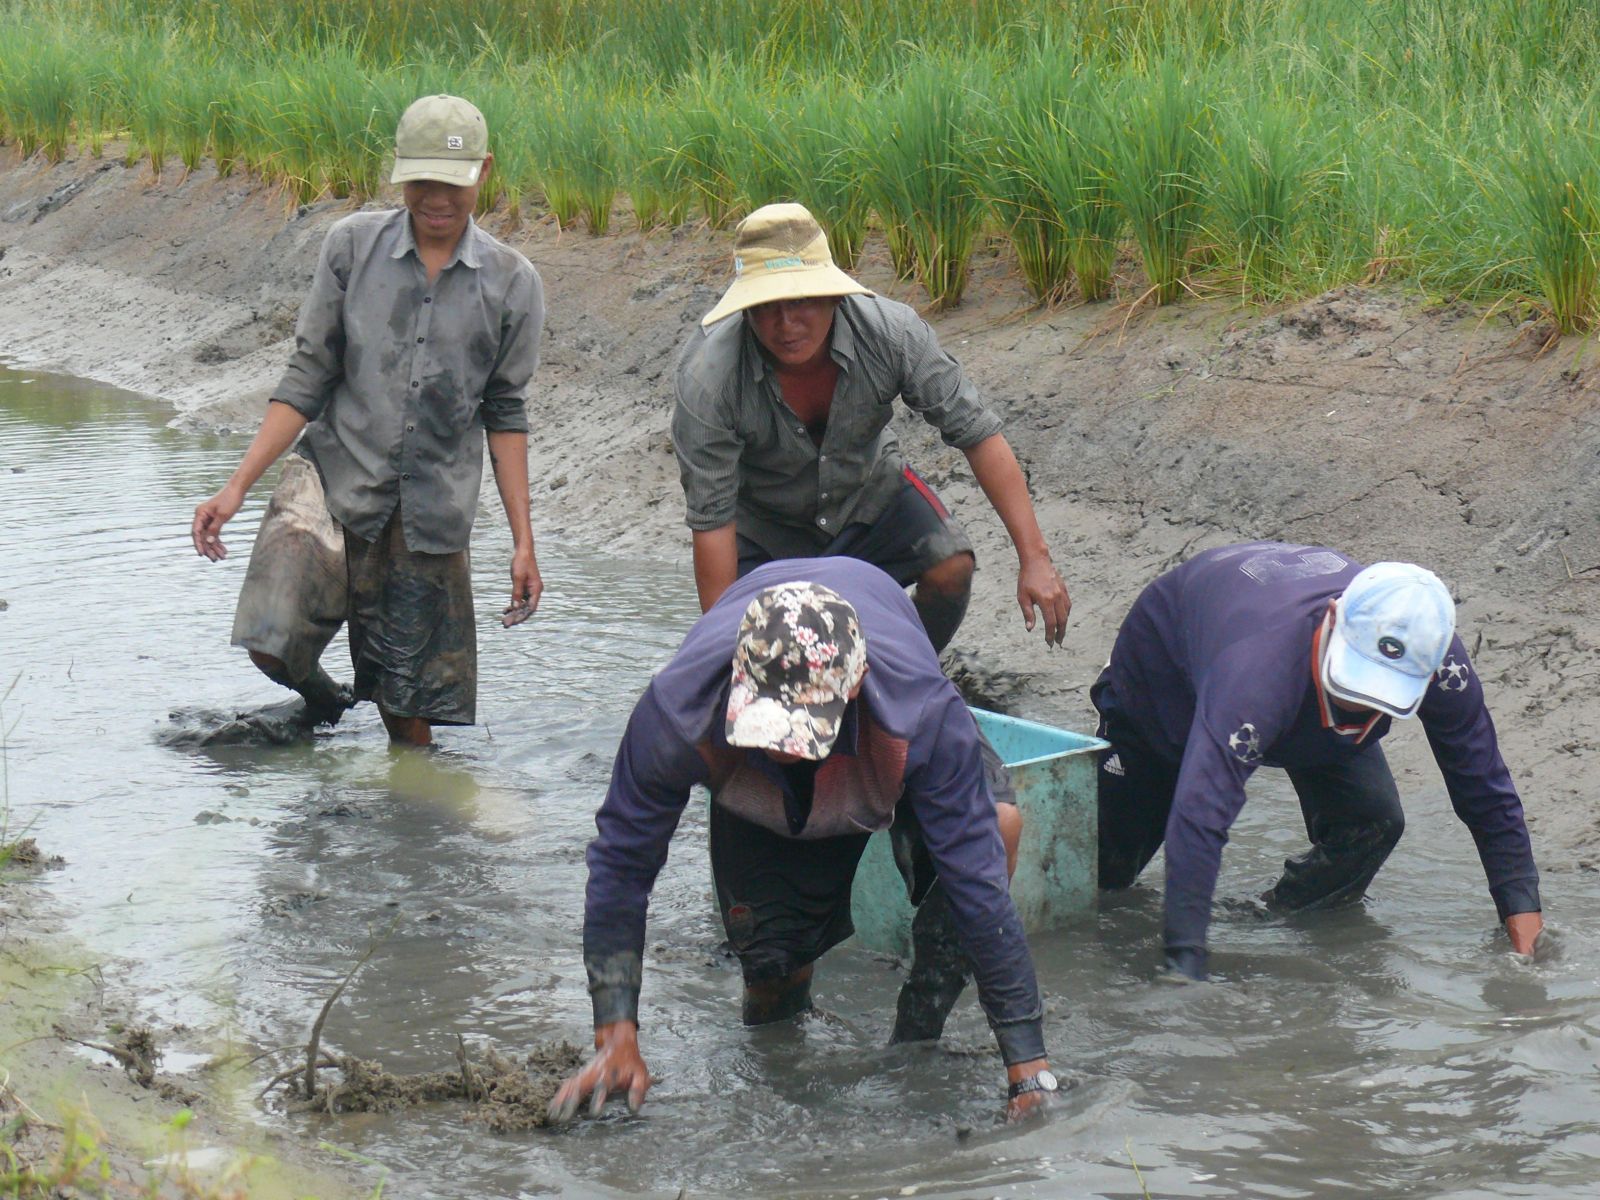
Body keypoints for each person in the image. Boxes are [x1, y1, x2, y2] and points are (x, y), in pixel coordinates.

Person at [549, 557, 1060, 1124]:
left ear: (856, 682)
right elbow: (623, 865)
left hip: (879, 738)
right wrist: (615, 1034)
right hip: (753, 787)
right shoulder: (678, 714)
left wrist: (1027, 1066)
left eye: (801, 729)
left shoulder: (922, 714)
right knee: (773, 979)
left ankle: (915, 1042)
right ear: (739, 677)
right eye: (771, 725)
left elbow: (978, 884)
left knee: (998, 826)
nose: (785, 748)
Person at [190, 94, 545, 746]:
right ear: (400, 176)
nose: (436, 200)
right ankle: (325, 700)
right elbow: (306, 376)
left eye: (453, 184)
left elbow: (506, 415)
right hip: (333, 482)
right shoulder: (351, 247)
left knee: (405, 715)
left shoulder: (512, 283)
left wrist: (524, 542)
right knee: (271, 639)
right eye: (421, 183)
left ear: (485, 172)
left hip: (430, 511)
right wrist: (236, 486)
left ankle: (409, 828)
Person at [1092, 541, 1545, 981]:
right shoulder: (1257, 675)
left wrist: (1522, 921)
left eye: (1380, 700)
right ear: (1334, 620)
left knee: (1372, 823)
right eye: (1354, 688)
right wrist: (1183, 968)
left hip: (1295, 686)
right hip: (1169, 672)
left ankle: (1274, 920)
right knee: (1104, 880)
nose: (1358, 717)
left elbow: (1485, 786)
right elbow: (1200, 815)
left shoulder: (1437, 658)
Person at [672, 203, 1070, 655]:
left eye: (801, 300)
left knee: (951, 567)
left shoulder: (891, 334)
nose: (786, 325)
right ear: (745, 311)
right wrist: (724, 652)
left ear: (833, 295)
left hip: (868, 491)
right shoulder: (709, 379)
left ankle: (903, 674)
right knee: (763, 649)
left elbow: (977, 434)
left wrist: (1035, 559)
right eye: (766, 308)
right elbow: (712, 521)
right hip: (765, 524)